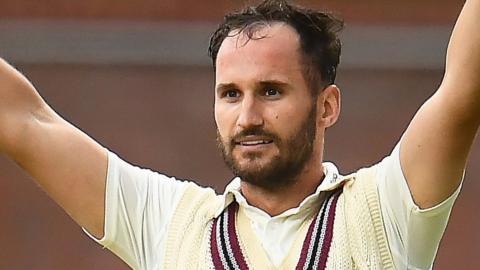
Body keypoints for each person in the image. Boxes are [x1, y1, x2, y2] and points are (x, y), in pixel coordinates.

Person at [0, 0, 478, 269]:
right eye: (230, 94)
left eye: (271, 91)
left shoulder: (385, 210)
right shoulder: (170, 224)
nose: (247, 116)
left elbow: (464, 88)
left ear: (326, 106)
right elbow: (26, 122)